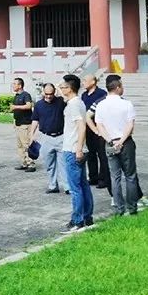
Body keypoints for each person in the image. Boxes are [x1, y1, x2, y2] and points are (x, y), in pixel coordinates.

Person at [93, 74, 139, 216]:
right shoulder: (126, 104)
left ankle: (119, 208)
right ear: (118, 88)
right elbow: (130, 124)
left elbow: (99, 125)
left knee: (115, 177)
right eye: (122, 86)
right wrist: (122, 140)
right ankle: (132, 207)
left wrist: (110, 141)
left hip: (109, 142)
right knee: (130, 176)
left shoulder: (100, 105)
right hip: (125, 142)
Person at [58, 74, 93, 232]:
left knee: (75, 187)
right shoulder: (77, 103)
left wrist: (78, 148)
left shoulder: (74, 105)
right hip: (76, 148)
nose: (61, 89)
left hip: (73, 149)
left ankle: (78, 219)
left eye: (64, 87)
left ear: (70, 89)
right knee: (83, 185)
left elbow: (81, 126)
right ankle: (87, 216)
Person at [30, 83, 67, 193]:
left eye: (51, 94)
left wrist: (60, 89)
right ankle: (52, 185)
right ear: (43, 92)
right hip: (45, 137)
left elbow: (67, 99)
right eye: (46, 94)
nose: (48, 96)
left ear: (54, 92)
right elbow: (35, 120)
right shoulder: (39, 105)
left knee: (63, 164)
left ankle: (67, 187)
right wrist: (32, 135)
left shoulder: (60, 101)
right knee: (49, 164)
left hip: (61, 136)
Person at [81, 74, 109, 190]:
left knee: (101, 154)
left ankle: (103, 179)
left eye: (85, 80)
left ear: (93, 82)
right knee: (91, 153)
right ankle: (93, 177)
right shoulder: (83, 95)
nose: (83, 83)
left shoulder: (101, 94)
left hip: (99, 128)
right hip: (87, 128)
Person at [11, 77, 35, 171]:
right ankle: (24, 162)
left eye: (14, 84)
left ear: (20, 85)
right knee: (20, 145)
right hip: (18, 123)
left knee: (26, 144)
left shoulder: (26, 95)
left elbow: (29, 105)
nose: (13, 85)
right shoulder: (16, 96)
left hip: (25, 124)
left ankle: (31, 164)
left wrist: (15, 107)